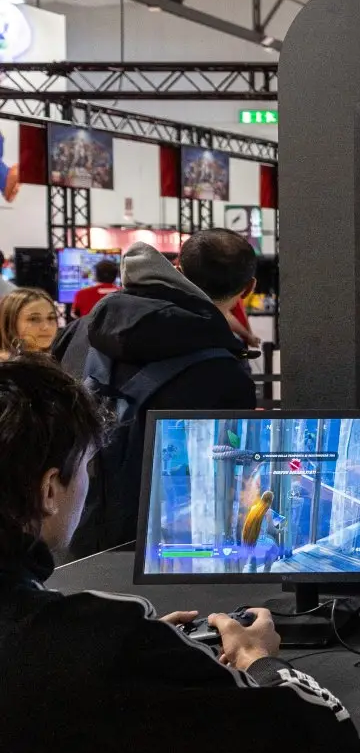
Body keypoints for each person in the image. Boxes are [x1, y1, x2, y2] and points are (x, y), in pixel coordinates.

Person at [0, 358, 355, 753]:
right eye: (87, 470)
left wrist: (135, 654)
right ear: (49, 489)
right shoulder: (90, 645)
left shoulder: (88, 646)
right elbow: (313, 736)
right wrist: (256, 661)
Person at [53, 233, 257, 553]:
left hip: (64, 531)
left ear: (177, 268)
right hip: (164, 551)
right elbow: (224, 483)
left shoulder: (80, 330)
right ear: (249, 289)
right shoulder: (226, 372)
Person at [0, 287, 57, 359]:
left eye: (51, 318)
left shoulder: (52, 361)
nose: (46, 326)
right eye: (34, 319)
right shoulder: (5, 367)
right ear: (10, 323)